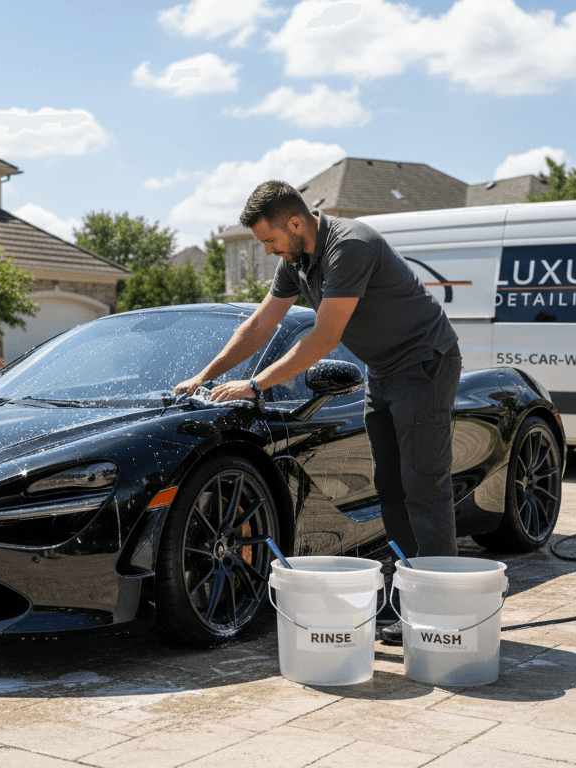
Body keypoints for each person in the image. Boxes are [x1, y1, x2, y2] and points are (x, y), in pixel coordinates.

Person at [173, 180, 462, 645]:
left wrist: (254, 385)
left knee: (423, 484)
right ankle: (410, 603)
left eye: (270, 241)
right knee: (391, 486)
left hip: (425, 363)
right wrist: (203, 375)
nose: (268, 252)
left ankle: (443, 613)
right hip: (385, 371)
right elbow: (260, 324)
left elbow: (325, 339)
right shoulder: (297, 261)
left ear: (295, 223)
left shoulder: (350, 246)